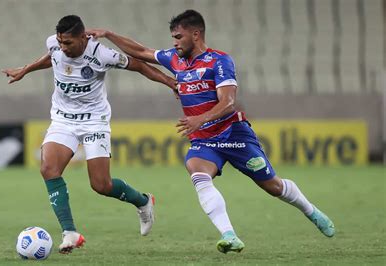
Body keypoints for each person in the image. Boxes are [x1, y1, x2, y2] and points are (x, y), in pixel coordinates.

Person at [87, 9, 335, 254]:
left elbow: (228, 102)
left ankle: (310, 211)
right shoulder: (175, 59)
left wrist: (199, 119)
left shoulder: (219, 61)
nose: (174, 42)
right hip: (204, 140)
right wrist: (109, 34)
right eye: (173, 37)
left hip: (233, 133)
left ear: (196, 35)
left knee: (273, 186)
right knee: (196, 170)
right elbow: (141, 52)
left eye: (178, 37)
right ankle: (229, 234)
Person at [2, 15, 176, 254]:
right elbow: (51, 58)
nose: (64, 47)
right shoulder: (54, 44)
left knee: (101, 185)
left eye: (69, 43)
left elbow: (139, 65)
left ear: (83, 38)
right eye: (61, 42)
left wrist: (169, 81)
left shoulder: (103, 54)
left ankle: (143, 201)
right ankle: (70, 232)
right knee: (48, 169)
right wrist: (26, 69)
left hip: (95, 121)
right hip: (63, 119)